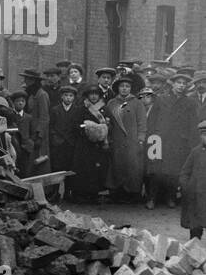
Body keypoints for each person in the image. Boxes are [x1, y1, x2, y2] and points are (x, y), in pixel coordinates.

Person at [146, 69, 198, 208]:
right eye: (178, 83)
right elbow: (152, 119)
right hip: (159, 139)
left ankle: (171, 197)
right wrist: (151, 138)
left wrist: (190, 141)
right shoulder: (161, 99)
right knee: (156, 170)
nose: (181, 85)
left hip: (179, 141)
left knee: (174, 172)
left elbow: (193, 124)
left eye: (183, 83)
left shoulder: (190, 103)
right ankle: (151, 198)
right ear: (172, 84)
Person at [104, 74, 145, 202]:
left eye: (127, 86)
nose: (124, 89)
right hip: (116, 140)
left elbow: (142, 122)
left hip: (132, 140)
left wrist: (140, 138)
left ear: (131, 89)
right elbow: (107, 122)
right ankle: (117, 193)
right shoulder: (111, 103)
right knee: (116, 165)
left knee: (133, 166)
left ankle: (132, 193)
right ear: (118, 88)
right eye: (122, 86)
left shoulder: (137, 103)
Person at [68, 85, 111, 202]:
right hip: (84, 144)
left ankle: (93, 194)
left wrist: (101, 130)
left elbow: (109, 125)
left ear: (99, 95)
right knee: (83, 168)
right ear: (87, 96)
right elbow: (75, 125)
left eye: (96, 94)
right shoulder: (81, 109)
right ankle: (80, 194)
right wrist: (86, 129)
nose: (93, 96)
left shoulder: (105, 109)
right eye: (91, 94)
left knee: (96, 169)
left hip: (98, 145)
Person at [49, 84, 82, 196]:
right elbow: (51, 127)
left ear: (74, 98)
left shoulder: (77, 110)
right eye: (66, 95)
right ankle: (55, 191)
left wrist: (74, 140)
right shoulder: (55, 110)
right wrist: (55, 138)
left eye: (71, 96)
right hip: (58, 143)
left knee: (70, 167)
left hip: (71, 143)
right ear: (61, 97)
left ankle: (68, 192)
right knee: (57, 167)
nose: (68, 98)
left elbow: (78, 127)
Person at [179, 120, 206, 240]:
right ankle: (194, 248)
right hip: (196, 196)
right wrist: (187, 187)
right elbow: (185, 172)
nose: (204, 137)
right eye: (203, 135)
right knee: (195, 229)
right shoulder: (196, 152)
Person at [21, 69, 51, 175]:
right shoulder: (28, 93)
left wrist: (39, 136)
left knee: (41, 162)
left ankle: (45, 190)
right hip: (29, 133)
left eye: (28, 79)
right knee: (30, 163)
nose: (25, 81)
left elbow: (44, 117)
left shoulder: (42, 95)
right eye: (25, 78)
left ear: (34, 80)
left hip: (39, 136)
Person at [7, 90, 36, 171]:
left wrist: (30, 143)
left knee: (25, 169)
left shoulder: (29, 117)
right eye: (17, 101)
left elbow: (33, 133)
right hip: (14, 149)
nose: (20, 103)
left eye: (22, 101)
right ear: (13, 103)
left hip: (26, 149)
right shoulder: (10, 116)